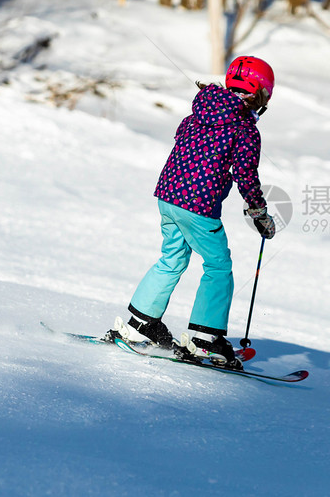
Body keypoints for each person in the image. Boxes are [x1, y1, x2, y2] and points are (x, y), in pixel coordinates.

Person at [111, 56, 277, 368]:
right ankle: (205, 340)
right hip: (198, 206)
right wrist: (259, 212)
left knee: (171, 258)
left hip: (168, 197)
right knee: (218, 265)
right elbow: (245, 174)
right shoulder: (244, 129)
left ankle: (138, 326)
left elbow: (185, 148)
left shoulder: (198, 113)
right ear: (259, 94)